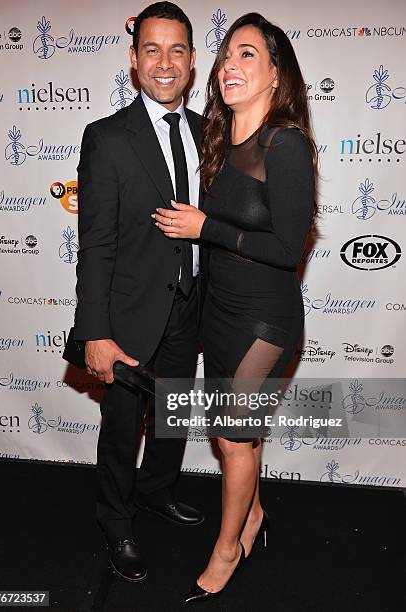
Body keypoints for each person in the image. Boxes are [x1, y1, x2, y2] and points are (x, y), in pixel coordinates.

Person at [153, 12, 316, 603]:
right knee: (228, 440)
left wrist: (207, 228)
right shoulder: (219, 142)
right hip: (219, 314)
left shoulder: (285, 143)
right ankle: (253, 516)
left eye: (248, 55)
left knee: (236, 438)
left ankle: (228, 551)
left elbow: (287, 248)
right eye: (226, 55)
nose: (230, 65)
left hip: (264, 323)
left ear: (277, 73)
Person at [73, 1, 204, 583]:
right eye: (152, 49)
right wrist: (95, 332)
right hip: (128, 315)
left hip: (192, 309)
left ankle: (156, 491)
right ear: (133, 58)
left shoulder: (209, 132)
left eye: (177, 49)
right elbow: (96, 244)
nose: (165, 62)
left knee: (173, 417)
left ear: (193, 60)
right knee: (122, 429)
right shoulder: (107, 138)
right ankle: (116, 522)